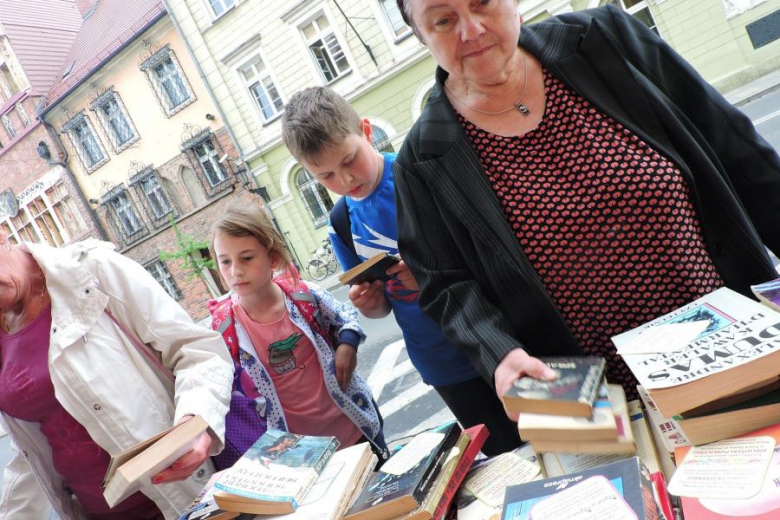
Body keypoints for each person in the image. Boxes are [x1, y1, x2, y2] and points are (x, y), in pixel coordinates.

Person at [392, 0, 780, 414]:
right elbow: (445, 283)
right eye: (443, 20)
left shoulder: (605, 38)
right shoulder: (420, 160)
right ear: (422, 37)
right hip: (607, 403)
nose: (471, 30)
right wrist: (500, 352)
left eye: (482, 3)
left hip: (738, 349)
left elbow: (736, 149)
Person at [281, 86, 522, 456]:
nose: (344, 181)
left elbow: (491, 249)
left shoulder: (421, 173)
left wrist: (431, 270)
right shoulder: (342, 220)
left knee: (558, 441)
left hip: (503, 336)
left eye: (349, 160)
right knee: (504, 460)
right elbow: (381, 309)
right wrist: (369, 303)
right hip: (442, 363)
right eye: (326, 176)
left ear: (365, 131)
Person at [0, 235, 234, 520]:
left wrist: (195, 423)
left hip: (181, 496)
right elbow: (31, 447)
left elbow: (197, 350)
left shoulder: (93, 271)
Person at [208, 206, 389, 465]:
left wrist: (347, 345)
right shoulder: (223, 327)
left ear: (272, 259)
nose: (235, 271)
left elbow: (345, 316)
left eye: (246, 258)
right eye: (225, 261)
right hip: (299, 455)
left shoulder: (302, 294)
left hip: (354, 428)